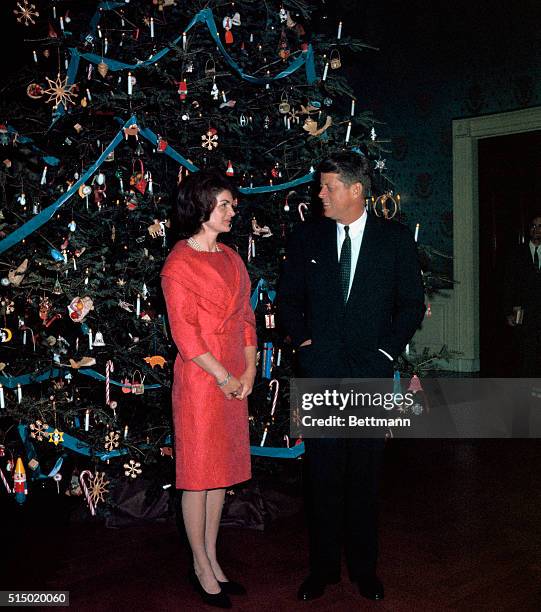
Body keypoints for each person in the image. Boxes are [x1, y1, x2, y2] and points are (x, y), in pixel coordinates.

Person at [277, 151, 425, 603]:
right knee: (321, 477)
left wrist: (384, 353)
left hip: (369, 373)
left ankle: (365, 570)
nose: (319, 194)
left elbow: (411, 305)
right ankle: (321, 570)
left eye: (328, 187)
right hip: (320, 373)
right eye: (320, 187)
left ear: (356, 190)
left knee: (364, 476)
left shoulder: (395, 240)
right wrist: (303, 346)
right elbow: (288, 301)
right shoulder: (306, 239)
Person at [161, 169, 257, 609]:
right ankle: (199, 563)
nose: (232, 210)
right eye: (224, 204)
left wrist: (250, 372)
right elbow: (186, 334)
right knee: (198, 476)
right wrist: (223, 376)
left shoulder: (233, 258)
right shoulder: (179, 262)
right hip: (203, 380)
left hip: (236, 376)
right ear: (202, 208)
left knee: (220, 474)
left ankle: (213, 557)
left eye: (231, 204)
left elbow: (247, 319)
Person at [504, 213, 541, 377]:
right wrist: (508, 311)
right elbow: (508, 284)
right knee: (525, 356)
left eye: (540, 226)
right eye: (533, 226)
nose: (536, 230)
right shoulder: (517, 253)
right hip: (524, 313)